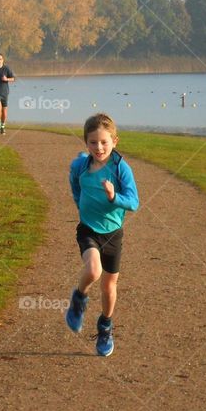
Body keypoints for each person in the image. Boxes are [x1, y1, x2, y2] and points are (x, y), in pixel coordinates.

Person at [65, 113, 139, 357]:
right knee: (93, 270)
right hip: (88, 229)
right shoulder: (80, 166)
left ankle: (105, 326)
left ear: (115, 141)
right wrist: (81, 205)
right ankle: (79, 298)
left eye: (104, 142)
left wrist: (113, 197)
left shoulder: (120, 169)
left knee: (109, 286)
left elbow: (134, 202)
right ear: (86, 143)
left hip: (113, 234)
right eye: (93, 142)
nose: (99, 147)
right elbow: (76, 187)